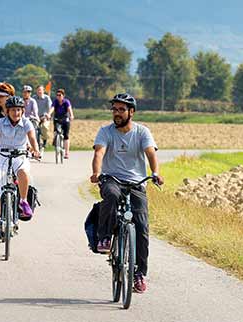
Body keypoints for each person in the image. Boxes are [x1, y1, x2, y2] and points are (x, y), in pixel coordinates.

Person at [89, 93, 165, 294]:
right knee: (111, 195)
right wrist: (97, 173)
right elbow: (99, 153)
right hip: (111, 179)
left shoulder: (142, 132)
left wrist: (155, 173)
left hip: (136, 183)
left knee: (142, 227)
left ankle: (139, 274)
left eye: (121, 109)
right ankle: (104, 237)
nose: (117, 113)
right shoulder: (105, 132)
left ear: (131, 112)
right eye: (114, 109)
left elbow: (151, 153)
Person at [0, 96, 41, 246]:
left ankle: (23, 201)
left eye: (18, 110)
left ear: (22, 111)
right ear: (7, 111)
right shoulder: (1, 123)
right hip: (1, 155)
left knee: (23, 171)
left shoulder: (27, 123)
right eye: (13, 110)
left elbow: (32, 137)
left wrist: (35, 149)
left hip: (19, 154)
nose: (16, 112)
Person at [49, 88, 75, 159]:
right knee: (55, 132)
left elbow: (69, 109)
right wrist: (49, 114)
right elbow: (52, 108)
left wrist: (71, 116)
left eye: (60, 95)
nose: (58, 96)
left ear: (63, 96)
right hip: (57, 118)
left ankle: (66, 153)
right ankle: (56, 141)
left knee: (66, 136)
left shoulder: (66, 102)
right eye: (57, 95)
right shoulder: (55, 102)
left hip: (65, 119)